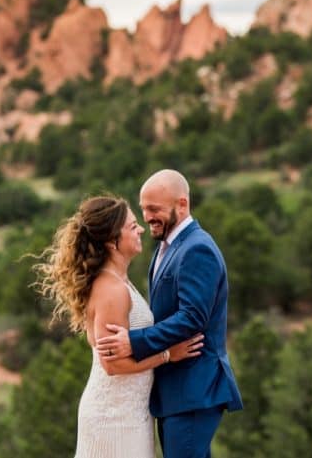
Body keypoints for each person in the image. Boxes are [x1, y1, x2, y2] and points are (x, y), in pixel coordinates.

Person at [34, 195, 205, 458]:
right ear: (112, 240)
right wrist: (169, 355)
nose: (140, 229)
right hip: (114, 417)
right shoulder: (112, 290)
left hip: (130, 412)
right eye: (132, 225)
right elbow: (113, 365)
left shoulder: (119, 281)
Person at [96, 169, 243, 458]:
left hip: (193, 388)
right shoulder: (165, 248)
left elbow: (193, 318)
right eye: (144, 209)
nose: (148, 217)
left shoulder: (196, 249)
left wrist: (134, 342)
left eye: (155, 209)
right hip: (176, 391)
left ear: (182, 204)